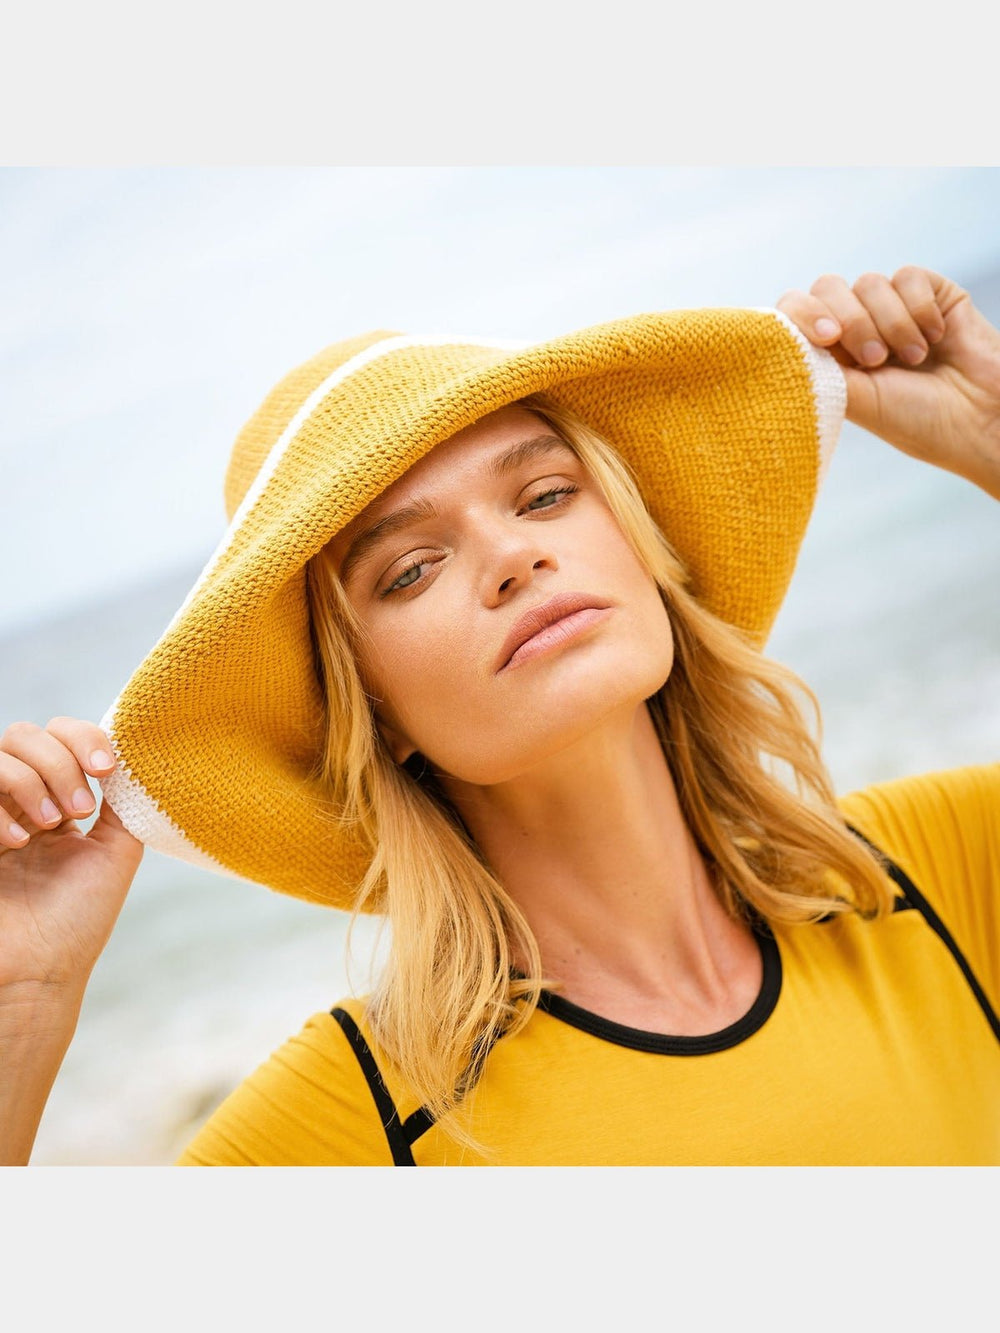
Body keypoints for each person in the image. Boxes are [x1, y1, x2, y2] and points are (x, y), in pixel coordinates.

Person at [1, 265, 997, 1166]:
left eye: (546, 493)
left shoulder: (937, 876)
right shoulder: (367, 1126)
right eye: (411, 569)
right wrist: (24, 1003)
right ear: (372, 711)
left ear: (642, 545)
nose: (512, 557)